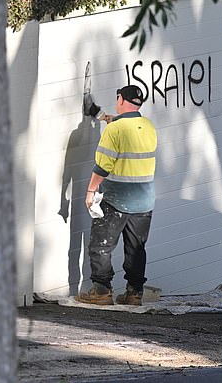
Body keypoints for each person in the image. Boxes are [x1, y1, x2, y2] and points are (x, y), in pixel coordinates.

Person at [75, 84, 157, 306]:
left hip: (117, 199)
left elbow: (103, 166)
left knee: (101, 245)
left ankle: (101, 291)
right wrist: (101, 116)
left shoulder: (115, 130)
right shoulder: (148, 126)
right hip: (144, 201)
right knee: (136, 249)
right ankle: (134, 293)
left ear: (120, 99)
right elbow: (127, 130)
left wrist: (91, 191)